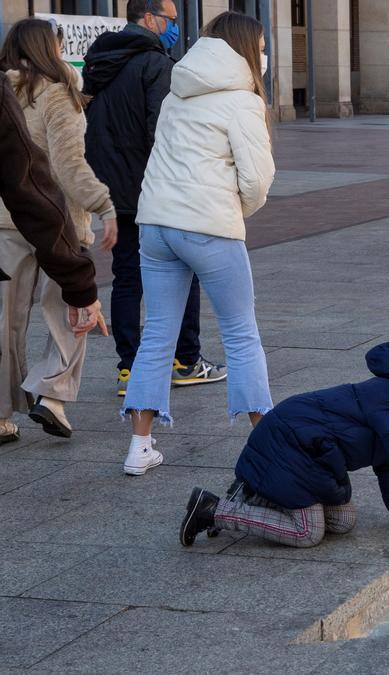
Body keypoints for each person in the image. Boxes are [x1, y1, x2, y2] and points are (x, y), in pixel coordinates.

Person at [121, 11, 275, 476]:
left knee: (157, 335)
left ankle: (139, 447)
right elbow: (257, 178)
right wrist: (234, 212)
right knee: (241, 333)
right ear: (249, 48)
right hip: (208, 227)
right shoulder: (242, 101)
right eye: (262, 44)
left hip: (156, 223)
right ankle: (267, 446)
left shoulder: (177, 90)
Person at [178, 343, 389, 549]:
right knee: (307, 532)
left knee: (344, 520)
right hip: (289, 445)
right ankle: (213, 510)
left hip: (312, 455)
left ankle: (251, 495)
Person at [84, 0, 225, 397]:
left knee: (127, 278)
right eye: (171, 21)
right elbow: (163, 132)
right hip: (154, 189)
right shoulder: (155, 64)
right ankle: (185, 360)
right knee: (185, 269)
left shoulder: (101, 61)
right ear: (149, 18)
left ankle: (129, 368)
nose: (175, 28)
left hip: (114, 189)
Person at [0, 19, 118, 440]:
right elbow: (69, 166)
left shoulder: (2, 91)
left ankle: (0, 414)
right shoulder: (58, 94)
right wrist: (103, 204)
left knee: (5, 321)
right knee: (73, 309)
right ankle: (51, 396)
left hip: (6, 221)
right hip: (58, 222)